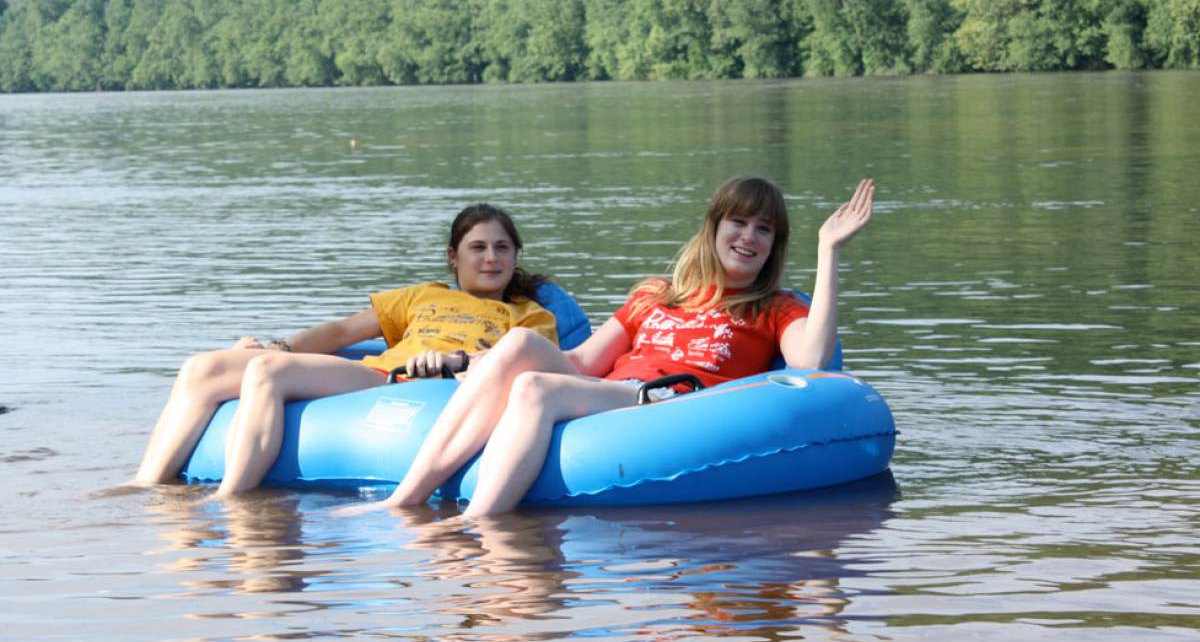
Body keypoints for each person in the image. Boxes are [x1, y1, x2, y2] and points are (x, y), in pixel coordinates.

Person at [355, 176, 875, 518]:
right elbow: (582, 361)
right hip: (608, 390)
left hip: (666, 400)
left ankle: (479, 525)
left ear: (774, 245)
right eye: (738, 222)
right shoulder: (655, 295)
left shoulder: (773, 306)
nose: (749, 237)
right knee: (518, 344)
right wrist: (482, 367)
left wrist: (828, 252)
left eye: (764, 230)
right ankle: (406, 500)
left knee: (536, 388)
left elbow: (810, 360)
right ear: (714, 229)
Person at [131, 204, 558, 496]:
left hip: (431, 385)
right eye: (478, 248)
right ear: (453, 256)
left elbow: (528, 366)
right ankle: (147, 484)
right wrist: (276, 346)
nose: (491, 259)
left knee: (267, 373)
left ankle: (233, 499)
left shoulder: (528, 316)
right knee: (202, 368)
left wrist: (458, 363)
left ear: (515, 256)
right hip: (378, 374)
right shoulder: (423, 296)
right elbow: (341, 332)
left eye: (502, 248)